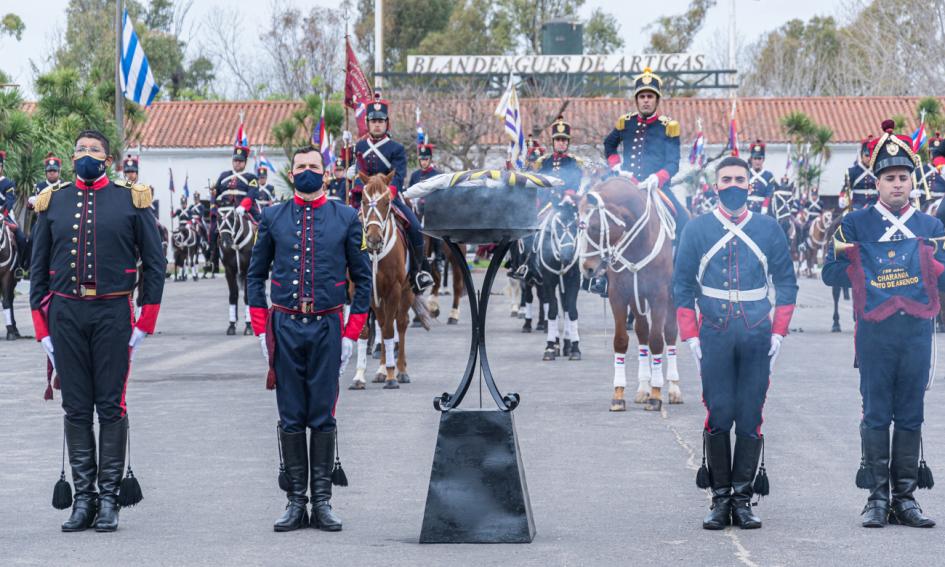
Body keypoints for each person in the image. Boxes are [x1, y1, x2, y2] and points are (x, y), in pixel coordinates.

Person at [30, 129, 166, 532]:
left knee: (109, 405)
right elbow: (37, 273)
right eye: (80, 150)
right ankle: (83, 499)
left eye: (94, 150)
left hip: (112, 315)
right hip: (66, 316)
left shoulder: (131, 199)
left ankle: (109, 499)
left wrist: (145, 322)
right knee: (75, 407)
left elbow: (155, 265)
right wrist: (42, 330)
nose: (86, 155)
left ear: (107, 159)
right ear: (72, 159)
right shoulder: (53, 202)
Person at [823, 120, 944, 529]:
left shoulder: (931, 227)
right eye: (889, 177)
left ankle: (905, 499)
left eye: (903, 177)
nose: (897, 184)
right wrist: (859, 270)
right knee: (876, 414)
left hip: (915, 334)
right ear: (877, 182)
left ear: (913, 181)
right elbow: (828, 272)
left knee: (910, 413)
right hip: (874, 334)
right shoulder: (855, 225)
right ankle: (877, 499)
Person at [247, 145, 371, 532]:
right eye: (299, 166)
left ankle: (322, 501)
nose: (306, 171)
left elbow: (363, 280)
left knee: (322, 413)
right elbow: (254, 275)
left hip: (327, 327)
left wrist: (352, 332)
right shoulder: (272, 217)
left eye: (313, 166)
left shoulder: (347, 217)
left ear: (327, 172)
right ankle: (295, 501)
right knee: (290, 414)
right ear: (291, 173)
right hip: (284, 326)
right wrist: (258, 326)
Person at [673, 155, 798, 531]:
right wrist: (691, 335)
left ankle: (743, 501)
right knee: (718, 413)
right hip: (714, 333)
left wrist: (778, 331)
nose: (733, 184)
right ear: (715, 184)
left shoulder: (769, 228)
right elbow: (681, 286)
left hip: (757, 333)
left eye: (739, 178)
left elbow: (787, 283)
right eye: (726, 178)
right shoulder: (696, 229)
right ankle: (720, 499)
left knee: (750, 415)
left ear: (750, 184)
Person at [352, 93, 433, 293]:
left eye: (380, 121)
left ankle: (418, 272)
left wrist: (388, 193)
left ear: (387, 123)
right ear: (368, 123)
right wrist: (354, 181)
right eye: (373, 121)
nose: (377, 125)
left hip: (389, 198)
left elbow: (398, 175)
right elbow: (358, 172)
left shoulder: (396, 148)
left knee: (414, 227)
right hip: (366, 199)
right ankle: (342, 278)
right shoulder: (360, 146)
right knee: (343, 229)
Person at [603, 67, 688, 239]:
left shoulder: (668, 126)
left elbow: (673, 163)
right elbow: (609, 144)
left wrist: (657, 178)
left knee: (684, 222)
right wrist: (617, 166)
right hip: (628, 185)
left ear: (657, 100)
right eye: (642, 97)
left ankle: (677, 264)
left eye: (650, 97)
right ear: (637, 100)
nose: (646, 101)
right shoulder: (626, 122)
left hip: (657, 188)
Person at [534, 114, 583, 361]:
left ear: (568, 142)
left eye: (564, 140)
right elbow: (539, 185)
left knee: (585, 232)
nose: (561, 144)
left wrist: (569, 196)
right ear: (552, 142)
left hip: (568, 206)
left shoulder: (574, 163)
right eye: (558, 140)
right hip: (550, 207)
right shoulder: (543, 162)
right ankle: (527, 264)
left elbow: (577, 182)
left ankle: (590, 266)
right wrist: (548, 199)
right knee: (534, 232)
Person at [0, 150, 31, 275]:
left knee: (21, 237)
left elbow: (10, 200)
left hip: (4, 215)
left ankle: (20, 266)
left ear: (2, 167)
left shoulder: (8, 183)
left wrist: (3, 215)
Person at [843, 136, 878, 211]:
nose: (869, 158)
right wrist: (845, 200)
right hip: (857, 206)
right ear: (861, 155)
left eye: (872, 156)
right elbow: (846, 190)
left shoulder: (878, 170)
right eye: (867, 155)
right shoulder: (852, 171)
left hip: (876, 206)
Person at [746, 140, 776, 215]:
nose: (757, 161)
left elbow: (769, 193)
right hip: (747, 209)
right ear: (751, 159)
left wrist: (764, 207)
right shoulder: (745, 174)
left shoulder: (769, 176)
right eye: (755, 158)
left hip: (763, 209)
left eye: (759, 158)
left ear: (763, 160)